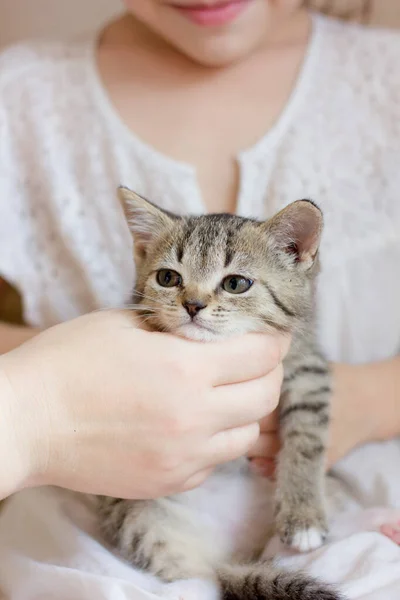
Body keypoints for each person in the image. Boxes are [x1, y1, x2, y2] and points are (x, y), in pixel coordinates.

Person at [0, 0, 399, 488]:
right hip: (92, 518)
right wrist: (51, 394)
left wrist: (377, 399)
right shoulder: (20, 97)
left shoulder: (388, 76)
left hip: (365, 502)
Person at [0, 309, 287, 502]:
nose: (195, 302)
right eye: (169, 277)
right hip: (79, 500)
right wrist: (44, 394)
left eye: (235, 284)